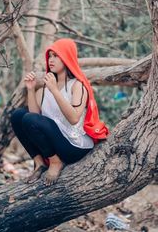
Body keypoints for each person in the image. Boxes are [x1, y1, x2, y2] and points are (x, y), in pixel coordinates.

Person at [11, 38, 109, 186]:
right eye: (49, 56)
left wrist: (55, 90)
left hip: (74, 146)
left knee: (30, 118)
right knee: (18, 116)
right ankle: (39, 164)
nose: (51, 60)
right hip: (54, 143)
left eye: (56, 56)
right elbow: (33, 117)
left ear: (67, 57)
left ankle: (56, 162)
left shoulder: (77, 86)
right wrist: (31, 89)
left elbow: (74, 118)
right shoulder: (44, 88)